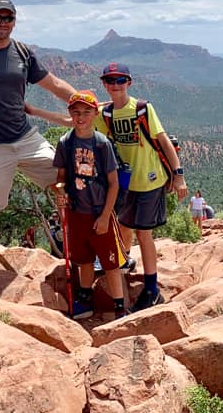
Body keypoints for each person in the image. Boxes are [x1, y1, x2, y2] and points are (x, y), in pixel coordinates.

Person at [0, 0, 76, 281]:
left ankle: (77, 256)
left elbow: (53, 84)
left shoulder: (23, 52)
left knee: (67, 182)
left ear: (14, 21)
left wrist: (82, 102)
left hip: (25, 137)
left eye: (8, 18)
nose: (3, 23)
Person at [94, 62, 189, 312]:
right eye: (110, 81)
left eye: (120, 80)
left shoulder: (142, 109)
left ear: (129, 83)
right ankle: (124, 263)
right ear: (104, 84)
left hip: (150, 181)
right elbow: (80, 125)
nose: (115, 85)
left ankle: (151, 289)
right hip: (125, 184)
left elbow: (163, 140)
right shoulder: (106, 115)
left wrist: (178, 175)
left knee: (143, 234)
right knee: (124, 225)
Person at [53, 90, 128, 320]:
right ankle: (85, 299)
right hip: (77, 212)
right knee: (84, 259)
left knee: (111, 263)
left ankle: (119, 307)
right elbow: (61, 176)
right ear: (70, 114)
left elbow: (114, 183)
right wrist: (60, 191)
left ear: (95, 114)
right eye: (76, 112)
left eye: (86, 112)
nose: (81, 117)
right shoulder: (65, 143)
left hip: (99, 212)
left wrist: (106, 216)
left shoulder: (102, 144)